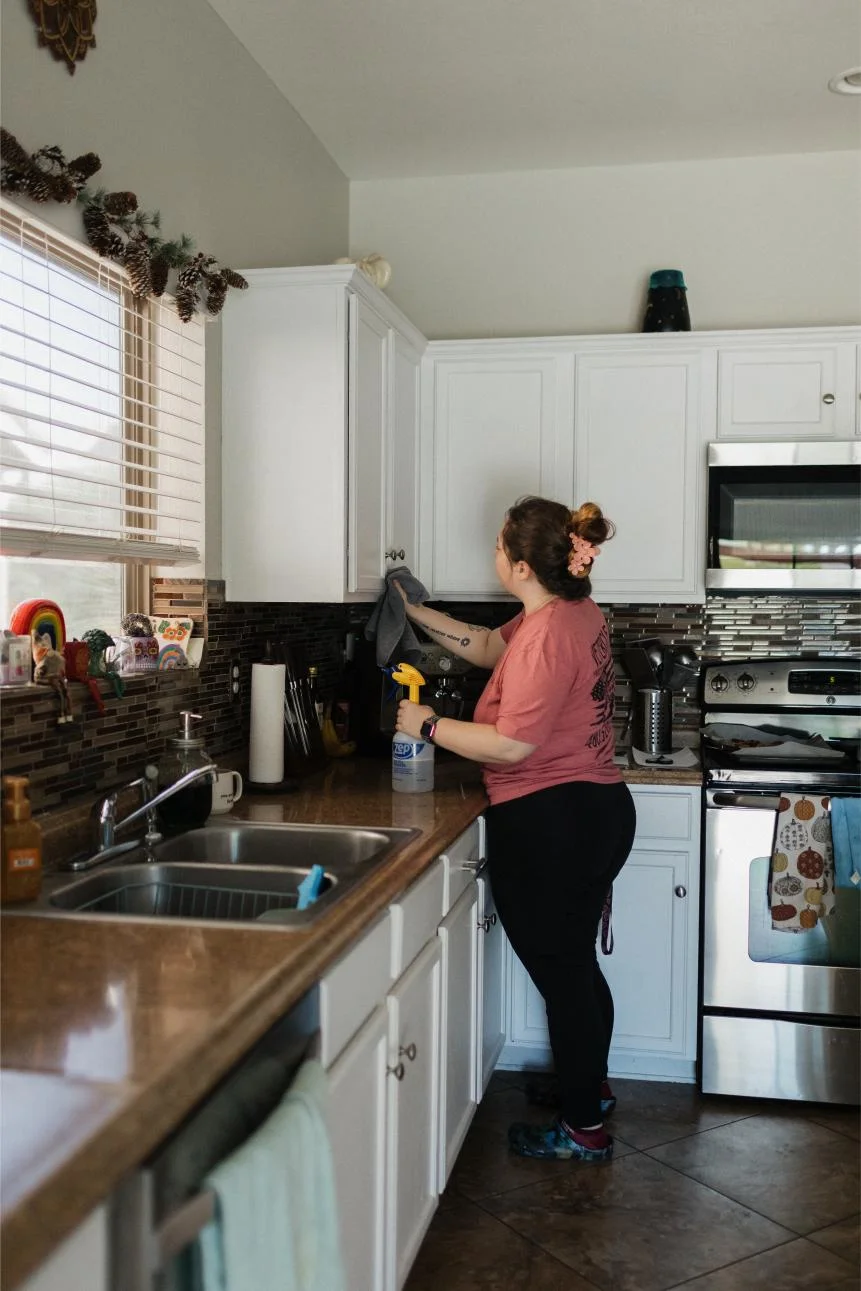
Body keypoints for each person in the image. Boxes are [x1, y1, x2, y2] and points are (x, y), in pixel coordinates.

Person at [394, 495, 636, 1162]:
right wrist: (416, 612)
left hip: (551, 820)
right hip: (593, 811)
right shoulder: (565, 612)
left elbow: (509, 744)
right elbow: (484, 646)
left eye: (499, 548)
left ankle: (582, 1129)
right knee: (575, 967)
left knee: (562, 975)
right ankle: (589, 1091)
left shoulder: (549, 636)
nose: (493, 555)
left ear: (523, 565)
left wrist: (427, 726)